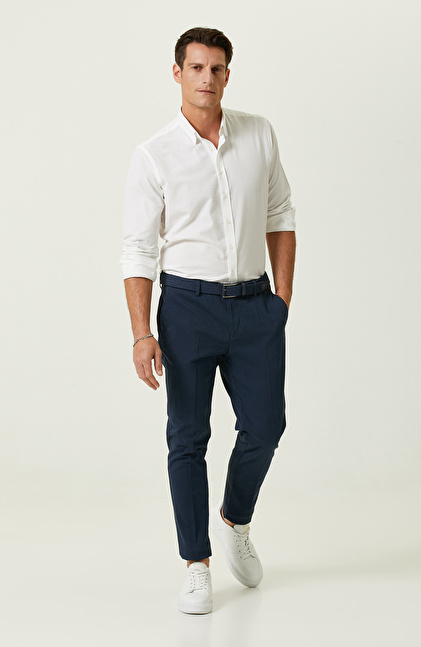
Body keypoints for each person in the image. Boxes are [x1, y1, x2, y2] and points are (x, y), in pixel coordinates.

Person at [121, 27, 296, 614]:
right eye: (196, 68)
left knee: (266, 425)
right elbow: (138, 250)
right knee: (188, 436)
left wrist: (282, 301)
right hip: (187, 309)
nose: (207, 78)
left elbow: (280, 212)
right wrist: (142, 333)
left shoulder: (258, 134)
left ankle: (235, 520)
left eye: (217, 68)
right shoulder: (154, 155)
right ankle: (196, 564)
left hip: (254, 304)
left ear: (227, 74)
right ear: (178, 73)